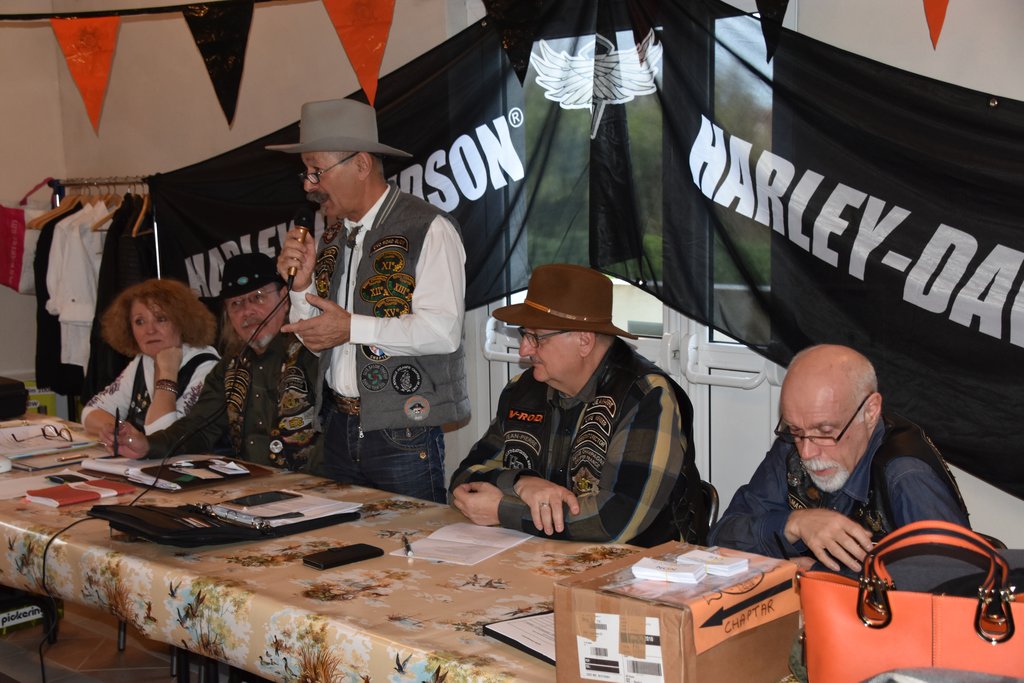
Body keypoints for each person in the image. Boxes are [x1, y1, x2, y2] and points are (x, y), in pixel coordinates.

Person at [271, 98, 469, 502]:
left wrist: (351, 328)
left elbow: (442, 331)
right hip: (337, 425)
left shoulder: (429, 228)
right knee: (343, 538)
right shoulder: (332, 235)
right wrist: (301, 288)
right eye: (305, 172)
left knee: (413, 538)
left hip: (403, 431)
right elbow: (316, 341)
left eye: (316, 171)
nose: (308, 185)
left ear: (361, 165)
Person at [449, 264, 705, 547]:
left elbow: (615, 520)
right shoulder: (522, 390)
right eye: (524, 334)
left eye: (536, 337)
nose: (524, 349)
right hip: (545, 554)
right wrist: (521, 482)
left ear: (584, 340)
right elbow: (463, 481)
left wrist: (503, 510)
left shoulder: (645, 397)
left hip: (643, 565)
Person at [709, 344, 970, 572]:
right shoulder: (794, 444)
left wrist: (821, 576)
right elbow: (719, 540)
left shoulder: (906, 477)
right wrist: (794, 524)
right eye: (796, 431)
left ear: (870, 412)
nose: (807, 452)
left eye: (825, 432)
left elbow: (953, 584)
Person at [114, 253, 321, 472]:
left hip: (314, 483)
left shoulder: (312, 353)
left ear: (284, 299)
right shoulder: (230, 367)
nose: (247, 311)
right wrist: (147, 445)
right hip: (253, 482)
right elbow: (199, 428)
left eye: (258, 297)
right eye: (236, 304)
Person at [81, 278, 219, 445]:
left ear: (183, 322)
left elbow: (163, 435)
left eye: (161, 319)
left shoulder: (207, 367)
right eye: (139, 322)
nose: (150, 330)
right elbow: (91, 411)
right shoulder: (143, 361)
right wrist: (118, 431)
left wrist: (167, 374)